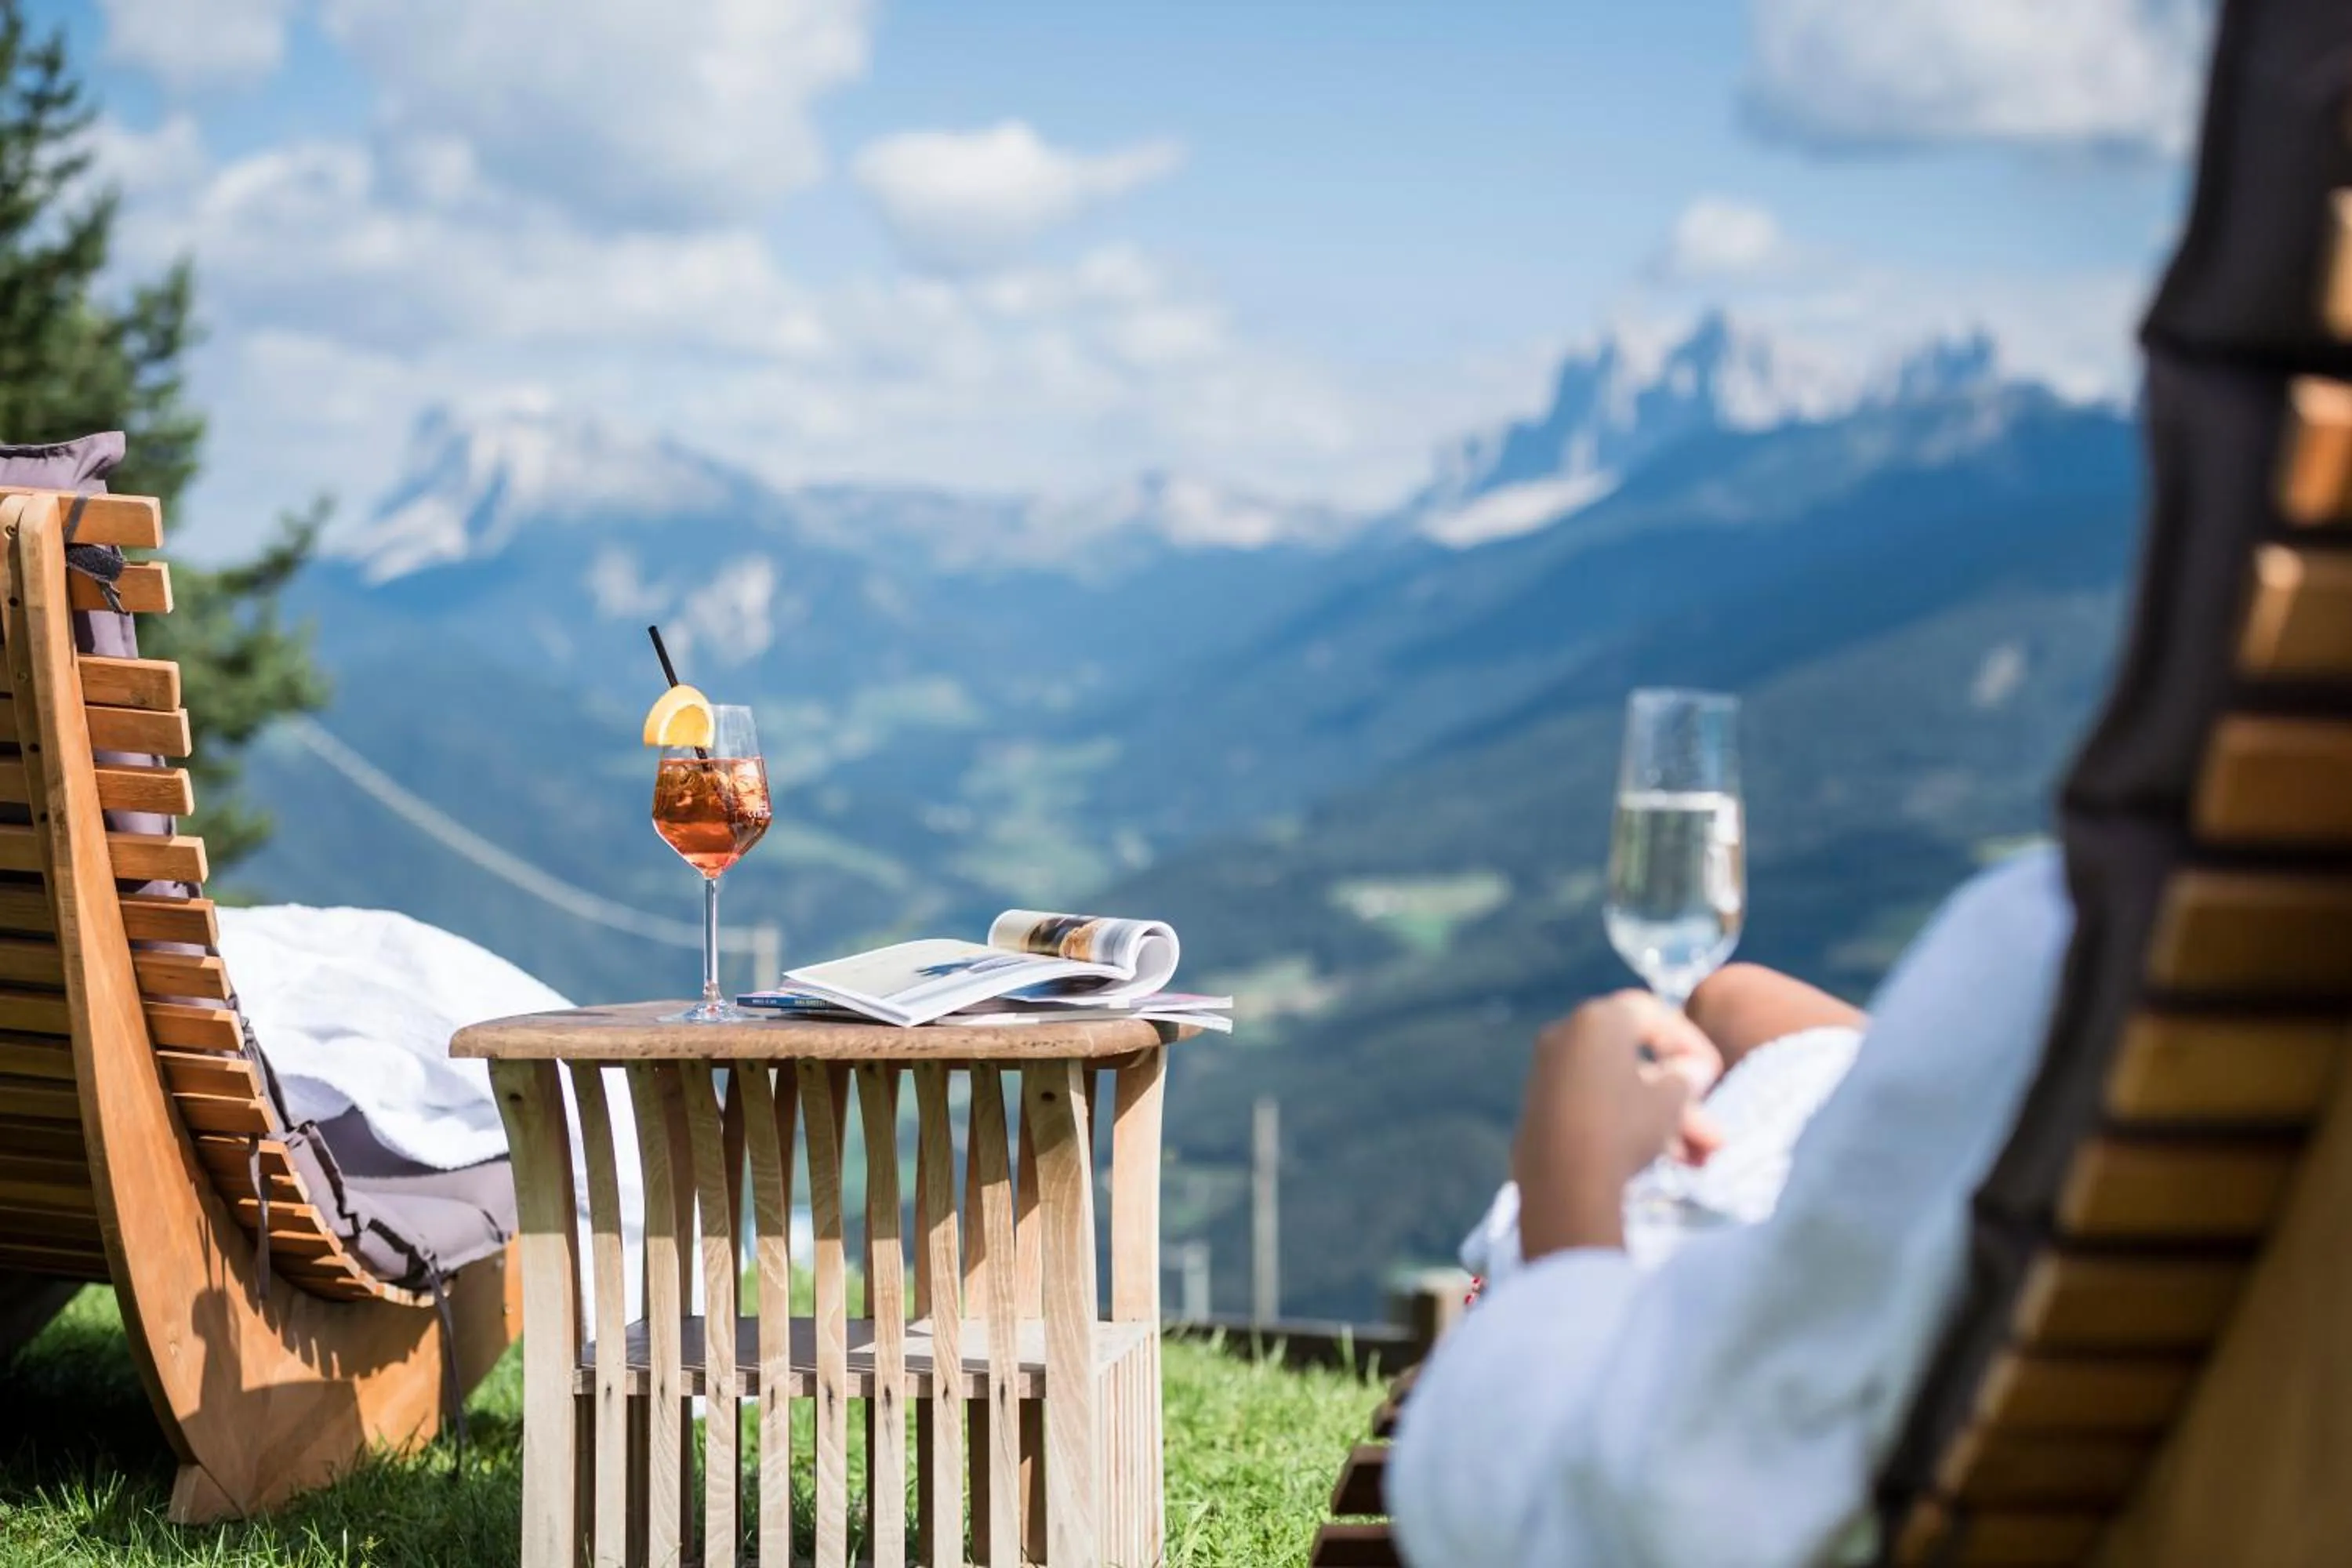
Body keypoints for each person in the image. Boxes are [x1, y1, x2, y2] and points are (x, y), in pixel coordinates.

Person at [1387, 846, 2074, 1566]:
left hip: (1715, 1233)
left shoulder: (2041, 924)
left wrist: (1570, 1176)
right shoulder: (2110, 955)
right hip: (1925, 1149)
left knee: (1679, 1039)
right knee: (1729, 998)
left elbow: (1617, 1511)